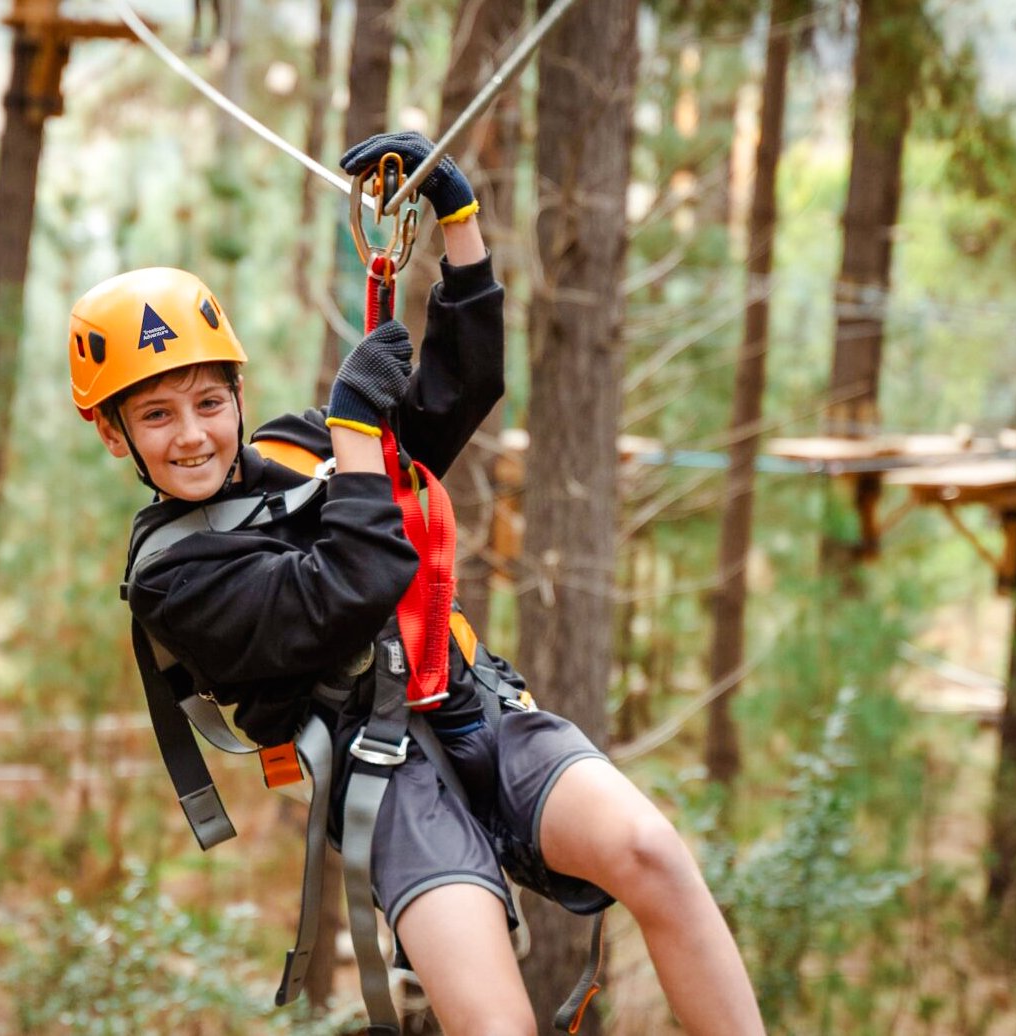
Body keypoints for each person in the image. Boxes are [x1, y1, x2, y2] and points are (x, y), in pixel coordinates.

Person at [68, 132, 766, 1036]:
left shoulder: (295, 448)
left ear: (239, 394)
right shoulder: (173, 579)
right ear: (115, 435)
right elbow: (350, 585)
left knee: (654, 855)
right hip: (384, 782)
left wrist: (457, 223)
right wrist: (355, 432)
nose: (192, 435)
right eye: (156, 415)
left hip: (478, 708)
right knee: (494, 1024)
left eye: (208, 402)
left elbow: (455, 393)